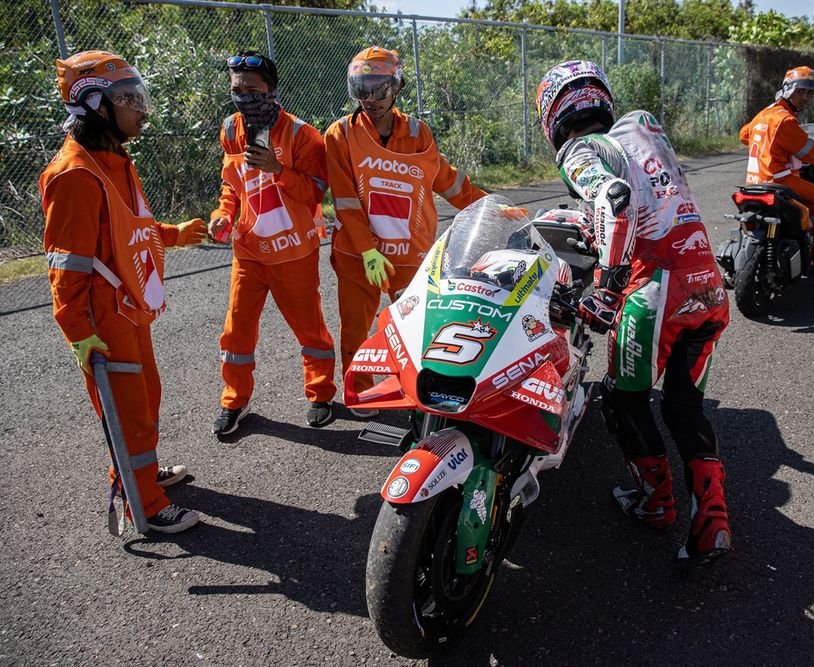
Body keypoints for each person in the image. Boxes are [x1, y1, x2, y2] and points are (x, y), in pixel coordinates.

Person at [536, 60, 732, 565]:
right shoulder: (644, 130)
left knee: (623, 402)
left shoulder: (581, 150)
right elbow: (649, 196)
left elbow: (616, 199)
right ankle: (712, 522)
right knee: (684, 406)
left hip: (654, 287)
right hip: (706, 280)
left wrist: (605, 288)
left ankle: (656, 502)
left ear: (553, 115)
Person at [41, 50, 206, 533]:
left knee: (146, 397)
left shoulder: (112, 157)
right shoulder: (75, 174)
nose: (142, 109)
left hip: (128, 308)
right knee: (128, 410)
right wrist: (77, 331)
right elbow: (65, 264)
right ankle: (145, 505)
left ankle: (142, 476)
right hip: (102, 318)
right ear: (94, 103)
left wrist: (172, 233)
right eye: (129, 99)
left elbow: (128, 225)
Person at [324, 46, 486, 418]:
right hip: (357, 256)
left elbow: (448, 181)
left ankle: (415, 388)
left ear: (396, 87)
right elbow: (346, 201)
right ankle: (362, 392)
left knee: (418, 331)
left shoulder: (417, 133)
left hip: (409, 255)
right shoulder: (340, 135)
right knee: (356, 330)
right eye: (361, 89)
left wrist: (491, 206)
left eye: (379, 89)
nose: (370, 99)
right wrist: (366, 250)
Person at [207, 51, 337, 437]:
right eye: (236, 89)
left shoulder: (302, 134)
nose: (244, 96)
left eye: (252, 89)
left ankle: (321, 395)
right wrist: (224, 215)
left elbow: (316, 191)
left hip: (294, 252)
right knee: (236, 332)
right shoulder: (230, 129)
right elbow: (232, 185)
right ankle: (235, 401)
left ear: (272, 89)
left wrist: (278, 170)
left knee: (310, 330)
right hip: (248, 252)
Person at [740, 66, 814, 266]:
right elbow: (809, 152)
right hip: (778, 180)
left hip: (753, 182)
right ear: (788, 89)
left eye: (810, 93)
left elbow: (744, 135)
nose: (805, 97)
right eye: (801, 91)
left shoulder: (766, 113)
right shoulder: (785, 120)